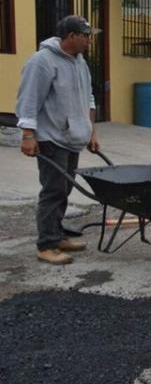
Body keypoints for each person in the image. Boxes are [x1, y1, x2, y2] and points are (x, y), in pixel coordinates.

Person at [16, 15, 101, 265]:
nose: (89, 40)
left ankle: (58, 234)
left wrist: (91, 131)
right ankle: (46, 245)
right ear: (71, 36)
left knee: (65, 189)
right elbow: (28, 100)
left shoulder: (80, 62)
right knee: (53, 190)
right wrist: (28, 135)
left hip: (73, 136)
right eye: (85, 35)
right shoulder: (41, 62)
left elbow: (89, 99)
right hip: (51, 137)